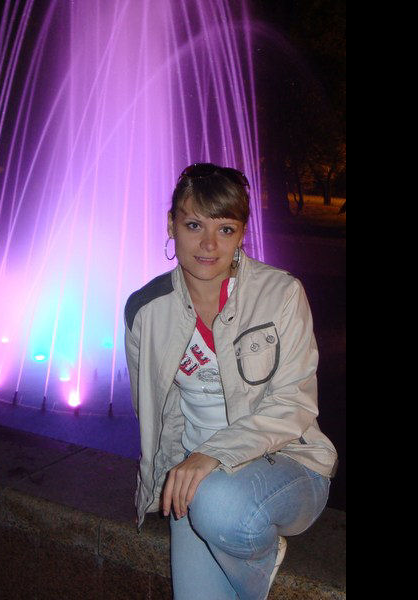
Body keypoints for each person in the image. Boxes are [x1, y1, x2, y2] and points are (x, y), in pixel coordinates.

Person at [124, 163, 337, 600]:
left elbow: (294, 403)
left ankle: (261, 554)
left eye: (225, 229)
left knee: (219, 503)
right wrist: (169, 478)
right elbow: (159, 412)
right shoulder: (145, 311)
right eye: (194, 225)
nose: (208, 244)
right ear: (171, 224)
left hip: (288, 464)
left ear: (241, 234)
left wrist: (213, 454)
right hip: (197, 480)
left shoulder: (280, 294)